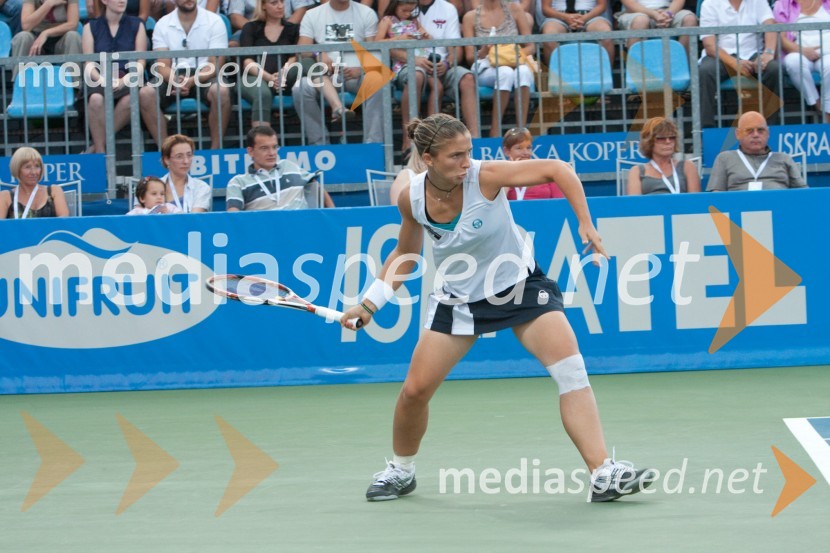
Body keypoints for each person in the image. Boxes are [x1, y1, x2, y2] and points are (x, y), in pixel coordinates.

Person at [340, 114, 655, 503]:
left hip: (519, 287)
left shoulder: (486, 176)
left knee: (571, 372)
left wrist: (585, 223)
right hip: (459, 300)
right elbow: (405, 253)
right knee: (414, 392)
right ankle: (401, 471)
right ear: (429, 159)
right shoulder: (412, 198)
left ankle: (603, 473)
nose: (466, 162)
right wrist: (370, 303)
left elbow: (558, 170)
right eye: (455, 156)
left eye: (468, 151)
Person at [238, 0, 352, 128]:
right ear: (263, 6)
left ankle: (337, 107)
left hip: (284, 77)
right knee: (262, 94)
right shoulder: (251, 27)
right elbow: (247, 62)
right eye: (274, 3)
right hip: (255, 77)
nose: (280, 6)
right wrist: (269, 77)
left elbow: (294, 57)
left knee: (307, 61)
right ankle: (262, 138)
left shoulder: (292, 28)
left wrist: (283, 72)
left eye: (282, 2)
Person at [293, 0, 382, 145]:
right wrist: (318, 52)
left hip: (356, 75)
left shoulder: (366, 13)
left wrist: (361, 69)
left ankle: (373, 144)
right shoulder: (312, 14)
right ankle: (319, 144)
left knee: (378, 82)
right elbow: (302, 49)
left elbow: (374, 51)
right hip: (326, 76)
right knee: (300, 87)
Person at [82, 0, 165, 153]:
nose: (122, 1)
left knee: (131, 97)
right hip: (99, 77)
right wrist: (102, 80)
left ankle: (98, 145)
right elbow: (88, 63)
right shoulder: (90, 27)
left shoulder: (137, 25)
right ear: (105, 1)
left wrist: (124, 80)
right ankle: (100, 152)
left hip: (129, 76)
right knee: (95, 99)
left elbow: (141, 61)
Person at [153, 0, 231, 149]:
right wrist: (175, 81)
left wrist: (193, 80)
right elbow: (162, 65)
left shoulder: (215, 21)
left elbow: (215, 64)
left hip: (204, 73)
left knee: (221, 91)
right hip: (173, 74)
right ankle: (165, 151)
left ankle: (215, 151)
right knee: (146, 94)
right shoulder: (162, 24)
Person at [698, 0, 781, 128]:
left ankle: (769, 128)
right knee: (705, 71)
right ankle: (706, 131)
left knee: (773, 68)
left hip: (753, 54)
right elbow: (710, 45)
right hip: (721, 56)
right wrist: (735, 63)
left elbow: (770, 25)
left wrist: (768, 53)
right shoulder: (710, 3)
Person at [463, 0, 537, 137]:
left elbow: (531, 47)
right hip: (485, 65)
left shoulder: (515, 9)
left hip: (515, 61)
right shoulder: (470, 17)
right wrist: (484, 51)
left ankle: (521, 130)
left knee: (524, 72)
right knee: (505, 72)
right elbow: (469, 57)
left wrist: (512, 55)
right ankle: (495, 130)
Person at [226, 125, 335, 210]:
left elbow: (316, 186)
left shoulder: (289, 166)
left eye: (275, 147)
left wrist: (334, 214)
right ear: (250, 151)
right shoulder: (238, 182)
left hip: (300, 228)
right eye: (264, 148)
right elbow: (233, 216)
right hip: (263, 231)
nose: (272, 153)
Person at [377, 0, 431, 157]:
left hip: (423, 62)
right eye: (404, 10)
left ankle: (430, 135)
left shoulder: (415, 21)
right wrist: (399, 38)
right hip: (402, 67)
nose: (407, 14)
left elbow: (428, 40)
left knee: (438, 86)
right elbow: (377, 42)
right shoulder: (387, 20)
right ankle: (408, 134)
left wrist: (425, 36)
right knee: (416, 76)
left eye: (410, 11)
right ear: (395, 6)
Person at [707, 111, 808, 191]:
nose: (755, 135)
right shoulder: (725, 158)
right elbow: (716, 196)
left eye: (760, 130)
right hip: (738, 209)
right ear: (738, 134)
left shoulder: (783, 159)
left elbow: (805, 193)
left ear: (768, 133)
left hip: (779, 207)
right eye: (749, 131)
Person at [775, 0, 830, 123]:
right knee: (793, 62)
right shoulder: (783, 3)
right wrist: (802, 51)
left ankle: (828, 112)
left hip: (827, 53)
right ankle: (817, 105)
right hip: (798, 51)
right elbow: (780, 38)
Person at [626, 117, 701, 195]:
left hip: (681, 203)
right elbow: (635, 202)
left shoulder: (687, 166)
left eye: (672, 138)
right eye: (661, 138)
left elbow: (695, 200)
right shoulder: (637, 171)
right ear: (649, 141)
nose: (668, 141)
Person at [538, 0, 615, 66]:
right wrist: (566, 17)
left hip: (590, 15)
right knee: (549, 35)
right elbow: (546, 9)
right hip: (558, 16)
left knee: (605, 34)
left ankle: (606, 75)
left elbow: (601, 6)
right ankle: (555, 76)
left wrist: (583, 18)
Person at [0, 147, 69, 219]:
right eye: (27, 167)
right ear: (17, 169)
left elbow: (64, 222)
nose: (34, 172)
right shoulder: (5, 197)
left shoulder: (54, 191)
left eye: (37, 166)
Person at [502, 127, 564, 200]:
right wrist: (509, 174)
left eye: (528, 148)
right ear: (507, 151)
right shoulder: (499, 175)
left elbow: (559, 203)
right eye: (519, 148)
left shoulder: (547, 172)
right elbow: (497, 203)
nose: (525, 153)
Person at [11, 0, 82, 63]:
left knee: (73, 36)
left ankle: (73, 74)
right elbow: (26, 26)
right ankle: (18, 74)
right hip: (35, 40)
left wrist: (46, 33)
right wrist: (48, 4)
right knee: (22, 37)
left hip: (61, 39)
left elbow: (73, 24)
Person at [615, 0, 698, 52]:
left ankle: (681, 66)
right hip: (635, 13)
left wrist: (668, 14)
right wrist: (654, 14)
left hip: (668, 11)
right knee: (640, 21)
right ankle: (636, 70)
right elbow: (629, 3)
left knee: (689, 19)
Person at [158, 134, 212, 212]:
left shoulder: (201, 187)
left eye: (189, 155)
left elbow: (195, 217)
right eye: (179, 156)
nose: (186, 161)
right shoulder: (152, 187)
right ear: (167, 160)